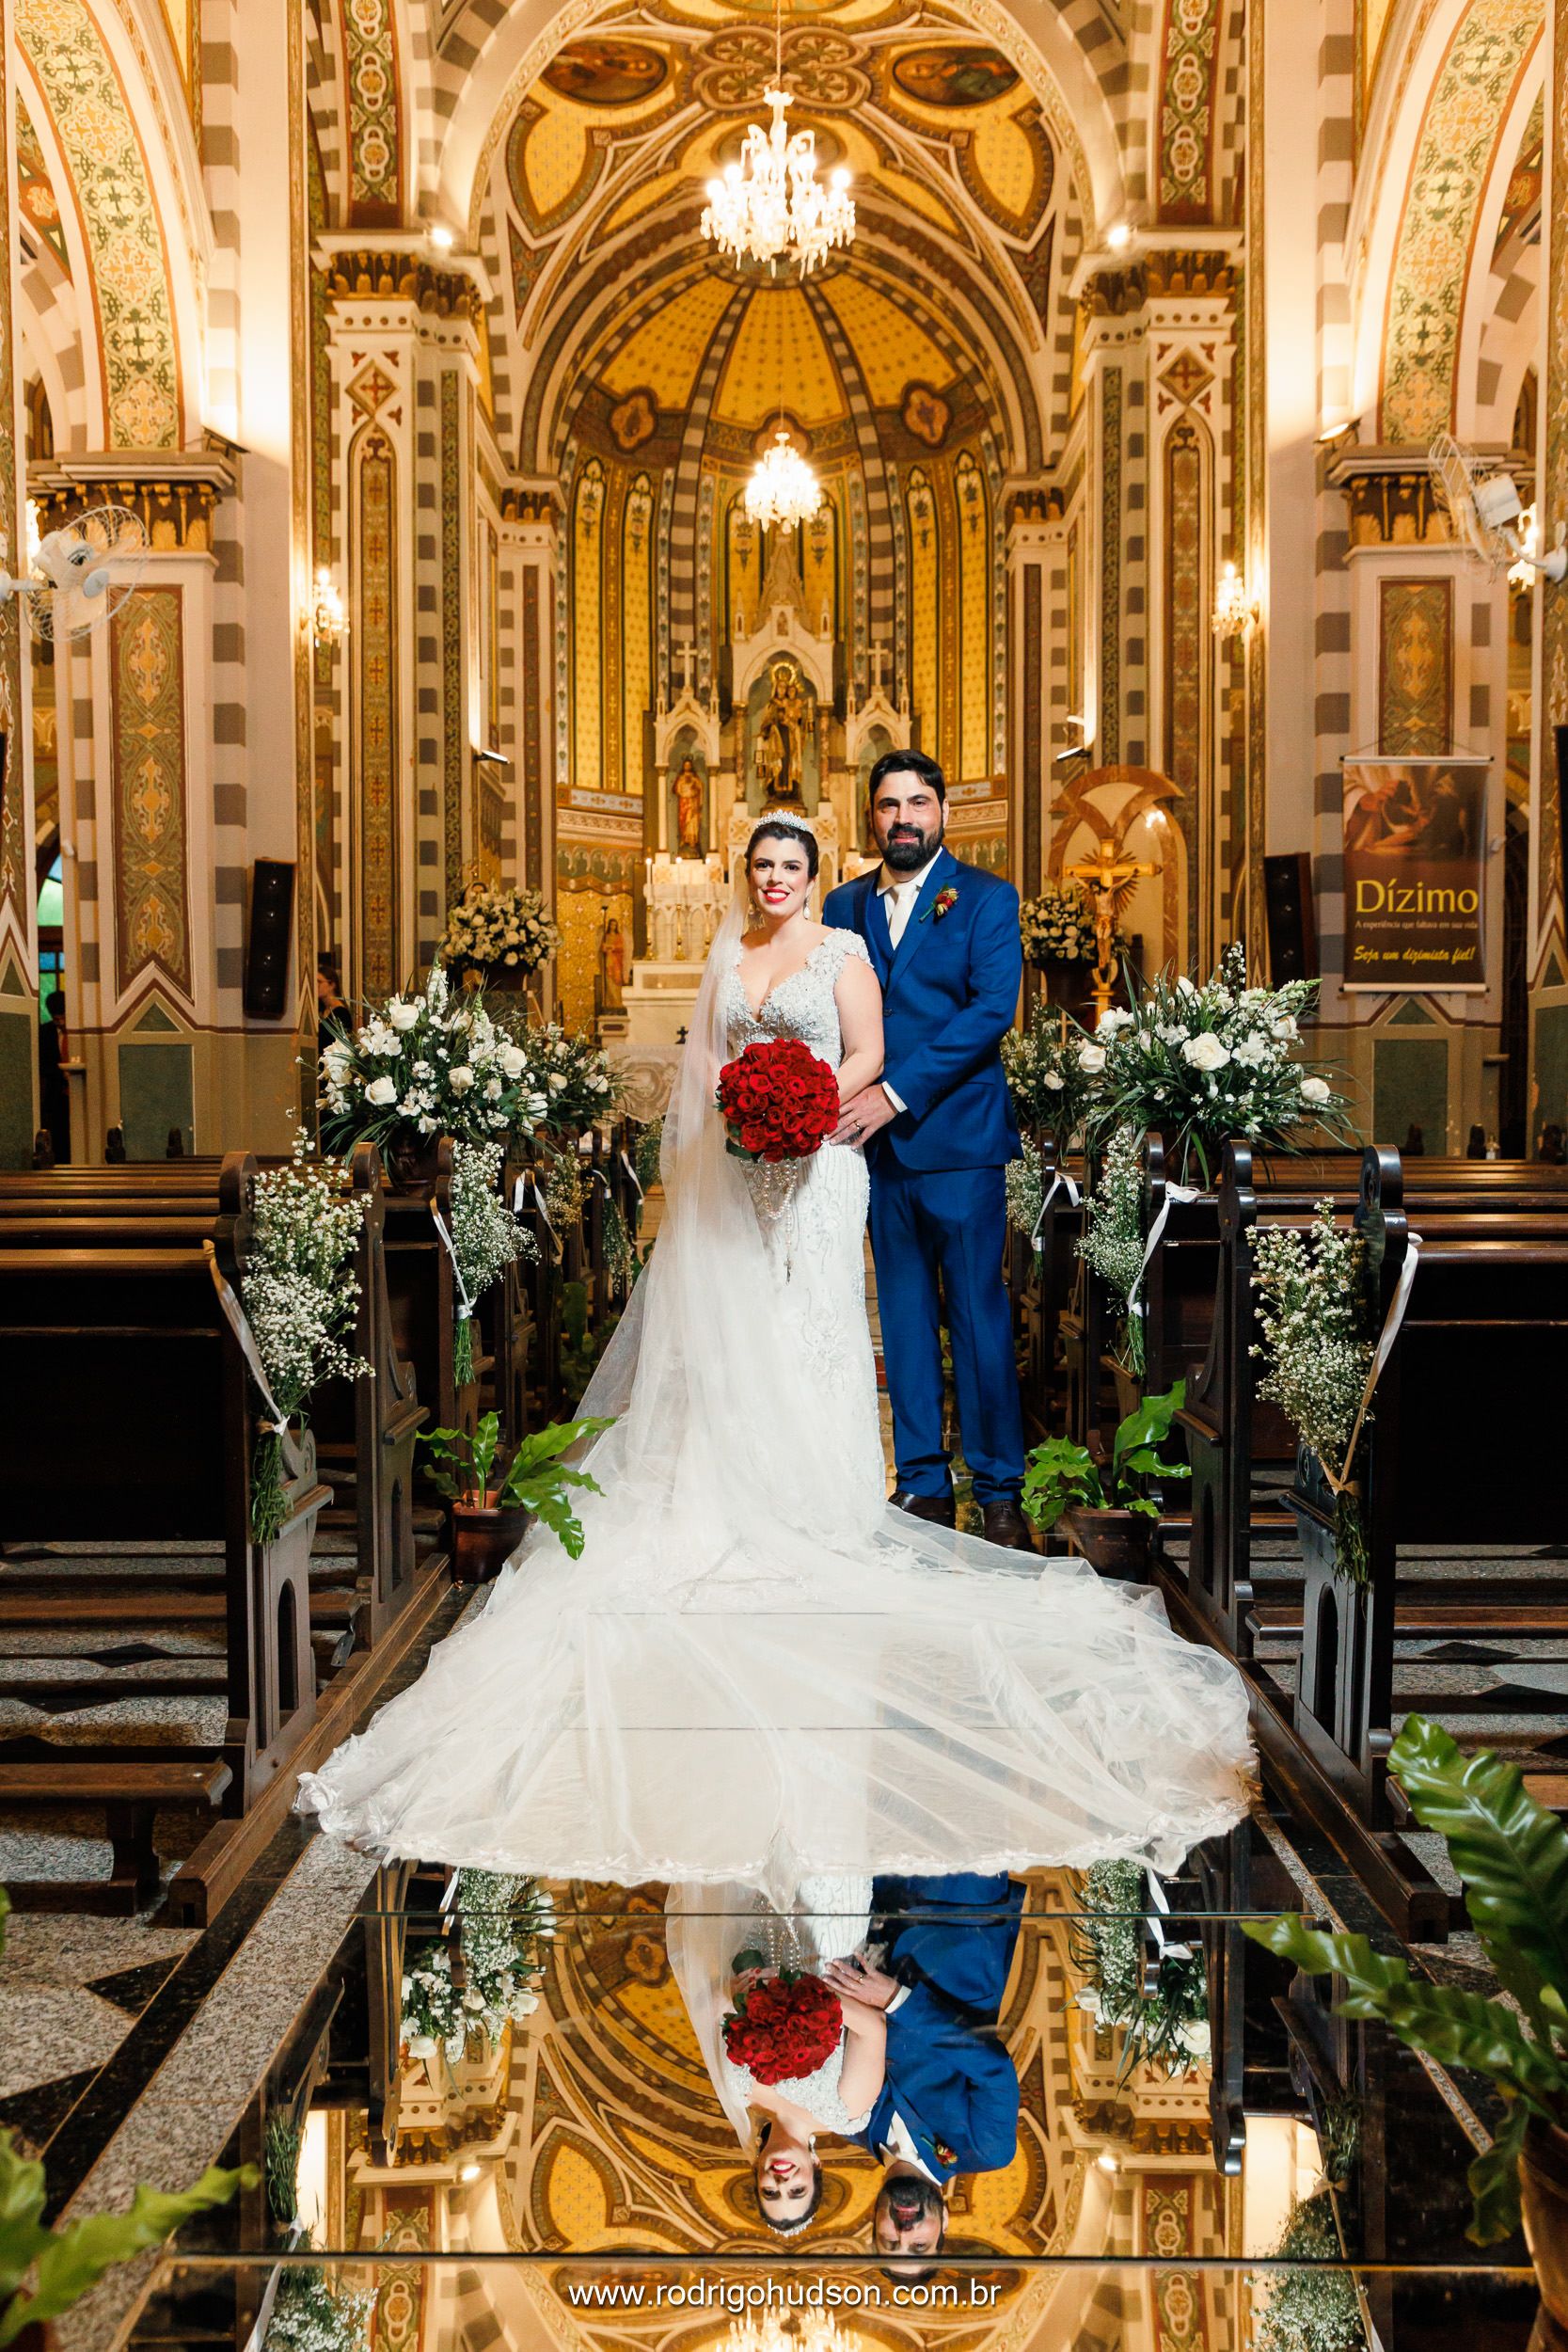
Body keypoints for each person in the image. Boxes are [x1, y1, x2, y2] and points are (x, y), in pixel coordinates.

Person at [296, 808, 1252, 1900]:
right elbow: (704, 1053)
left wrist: (809, 1112)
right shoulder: (727, 951)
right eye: (763, 866)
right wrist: (733, 1110)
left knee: (812, 1331)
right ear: (746, 879)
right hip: (739, 1168)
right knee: (728, 1329)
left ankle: (820, 1498)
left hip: (821, 1164)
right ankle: (726, 1492)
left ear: (814, 874)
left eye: (792, 865)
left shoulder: (842, 952)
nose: (777, 880)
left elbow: (870, 1052)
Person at [823, 751, 1029, 1549]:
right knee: (903, 1319)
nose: (901, 817)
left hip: (959, 1143)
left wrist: (895, 1093)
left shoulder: (985, 899)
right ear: (869, 817)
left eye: (916, 802)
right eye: (886, 805)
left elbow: (987, 1013)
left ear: (942, 812)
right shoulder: (842, 906)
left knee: (977, 1318)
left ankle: (999, 1486)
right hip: (870, 1154)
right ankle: (920, 1484)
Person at [37, 990, 69, 1165]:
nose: (61, 1023)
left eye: (64, 1018)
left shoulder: (80, 1031)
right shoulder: (45, 1032)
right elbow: (41, 1064)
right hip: (55, 1095)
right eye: (57, 1020)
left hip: (77, 1094)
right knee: (59, 1139)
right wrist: (60, 1072)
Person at [317, 957, 347, 1053]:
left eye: (319, 982)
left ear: (332, 985)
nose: (315, 986)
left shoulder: (342, 1013)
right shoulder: (320, 1010)